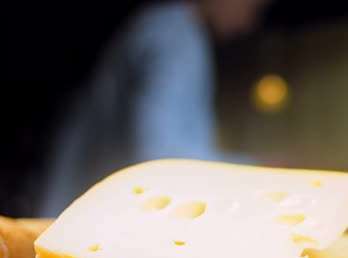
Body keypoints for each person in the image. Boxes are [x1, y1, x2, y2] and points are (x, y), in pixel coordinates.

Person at [38, 0, 269, 218]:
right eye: (254, 6)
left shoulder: (162, 24)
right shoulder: (176, 38)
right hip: (90, 225)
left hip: (77, 214)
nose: (248, 23)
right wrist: (255, 172)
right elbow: (159, 156)